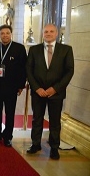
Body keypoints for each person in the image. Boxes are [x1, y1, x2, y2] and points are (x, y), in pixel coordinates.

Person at [26, 23, 74, 160]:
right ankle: (35, 144)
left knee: (54, 121)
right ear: (42, 33)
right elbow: (29, 70)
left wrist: (55, 88)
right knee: (37, 119)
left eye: (51, 31)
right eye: (46, 31)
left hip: (56, 93)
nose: (48, 33)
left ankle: (54, 147)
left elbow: (69, 71)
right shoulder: (34, 50)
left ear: (56, 33)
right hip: (38, 92)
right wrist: (37, 88)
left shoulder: (66, 50)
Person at [0, 25, 27, 147]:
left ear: (11, 34)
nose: (5, 35)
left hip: (12, 87)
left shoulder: (19, 48)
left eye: (7, 33)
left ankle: (8, 136)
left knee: (10, 113)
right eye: (2, 33)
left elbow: (23, 68)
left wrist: (21, 85)